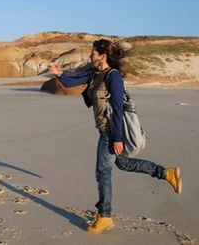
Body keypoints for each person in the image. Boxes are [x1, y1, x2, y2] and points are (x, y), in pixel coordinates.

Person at [48, 39, 182, 234]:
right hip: (105, 130)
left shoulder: (113, 77)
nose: (90, 56)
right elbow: (71, 81)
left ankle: (105, 216)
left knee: (103, 172)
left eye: (93, 53)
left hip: (111, 132)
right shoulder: (95, 73)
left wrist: (117, 138)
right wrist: (59, 73)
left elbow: (118, 109)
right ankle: (166, 173)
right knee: (123, 164)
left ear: (102, 56)